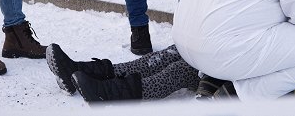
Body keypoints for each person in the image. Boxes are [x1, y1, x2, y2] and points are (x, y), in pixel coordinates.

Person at [46, 43, 199, 102]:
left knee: (179, 70)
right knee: (161, 57)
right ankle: (75, 71)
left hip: (218, 76)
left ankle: (107, 93)